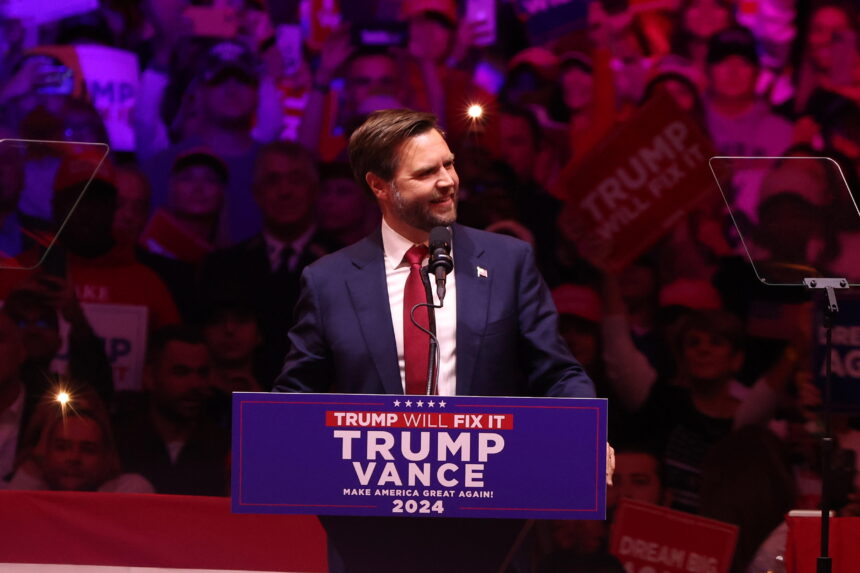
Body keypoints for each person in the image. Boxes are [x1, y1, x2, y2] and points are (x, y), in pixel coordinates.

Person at [274, 108, 601, 572]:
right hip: (369, 531)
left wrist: (585, 432)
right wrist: (271, 440)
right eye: (427, 172)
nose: (448, 181)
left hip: (489, 524)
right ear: (380, 186)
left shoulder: (508, 263)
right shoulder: (328, 281)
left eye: (449, 164)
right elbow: (297, 393)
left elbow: (559, 371)